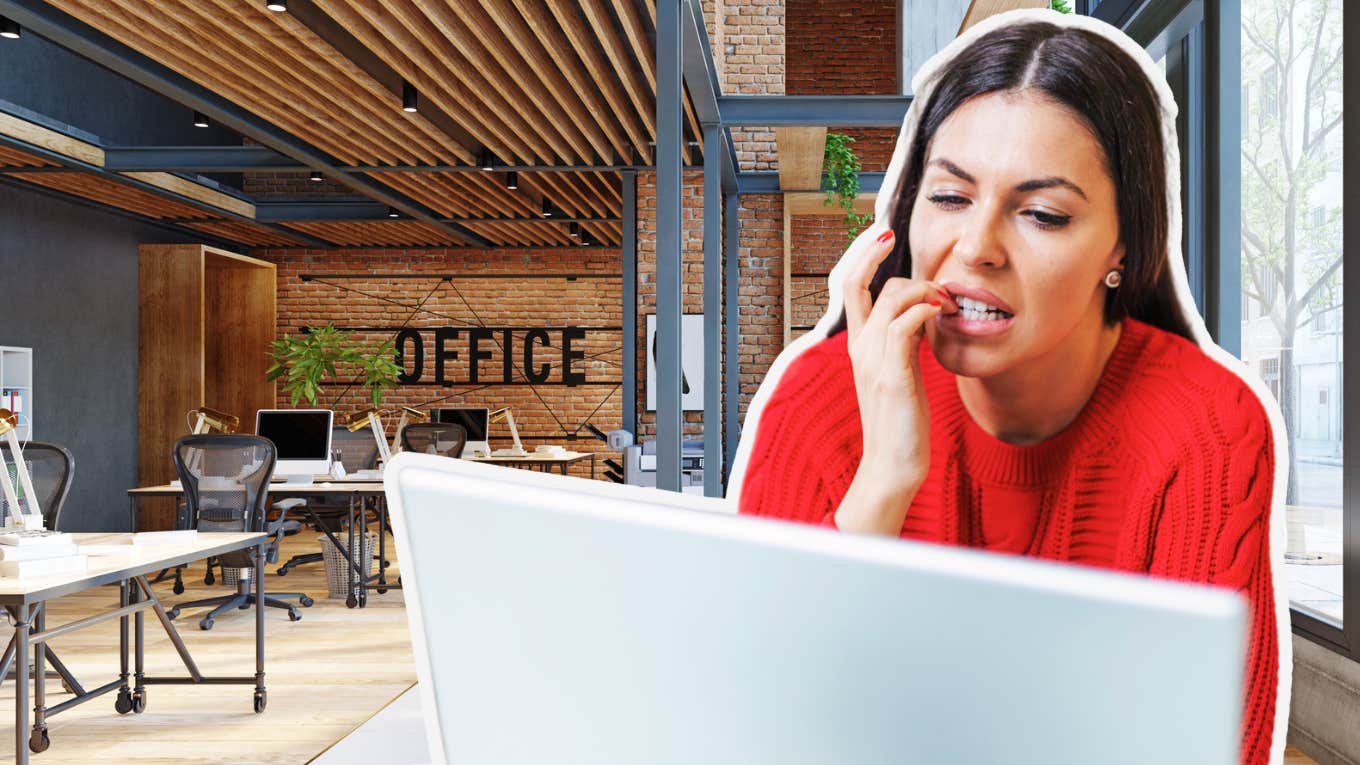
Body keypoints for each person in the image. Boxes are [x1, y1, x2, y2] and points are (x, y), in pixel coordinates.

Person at [730, 10, 1289, 765]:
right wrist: (884, 481)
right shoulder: (818, 400)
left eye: (1043, 214)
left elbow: (1212, 745)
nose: (976, 248)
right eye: (950, 197)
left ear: (1123, 247)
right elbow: (751, 721)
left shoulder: (1206, 426)